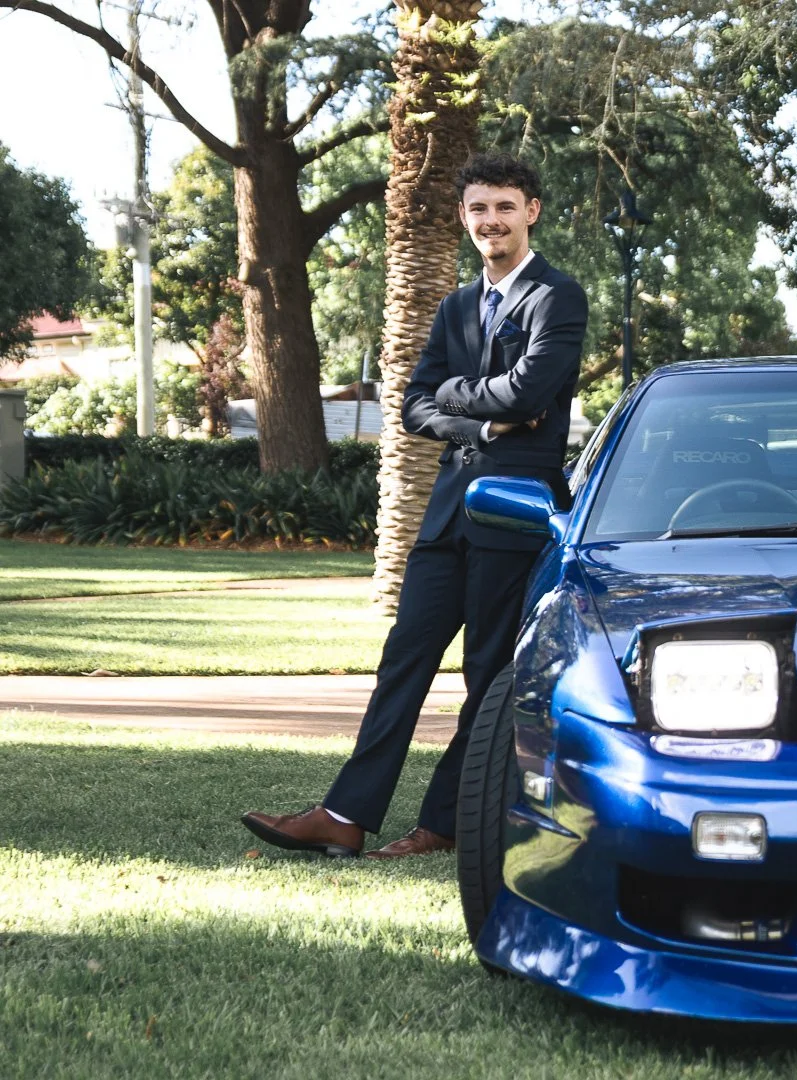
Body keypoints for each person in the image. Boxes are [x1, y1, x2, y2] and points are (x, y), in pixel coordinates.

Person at [242, 152, 588, 859]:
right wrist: (485, 416)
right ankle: (344, 816)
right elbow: (411, 407)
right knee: (404, 660)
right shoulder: (457, 306)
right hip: (446, 511)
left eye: (504, 206)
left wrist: (465, 397)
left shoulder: (558, 296)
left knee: (487, 673)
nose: (490, 221)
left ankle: (444, 823)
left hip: (516, 510)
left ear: (532, 211)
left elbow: (529, 393)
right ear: (464, 220)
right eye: (478, 209)